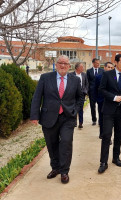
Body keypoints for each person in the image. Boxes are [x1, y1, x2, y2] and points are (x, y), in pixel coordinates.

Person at [30, 55, 84, 184]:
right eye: (60, 63)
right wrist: (34, 115)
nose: (63, 65)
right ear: (56, 64)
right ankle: (55, 168)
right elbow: (37, 97)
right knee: (52, 144)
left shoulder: (75, 80)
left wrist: (75, 110)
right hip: (49, 117)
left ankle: (64, 171)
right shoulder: (45, 78)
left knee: (66, 143)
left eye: (65, 63)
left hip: (67, 117)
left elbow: (80, 97)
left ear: (69, 66)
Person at [98, 54, 121, 173]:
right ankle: (103, 162)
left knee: (119, 135)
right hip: (109, 110)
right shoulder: (107, 74)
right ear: (116, 62)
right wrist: (113, 97)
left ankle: (116, 157)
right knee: (107, 135)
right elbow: (102, 90)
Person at [95, 62, 114, 139]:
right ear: (104, 68)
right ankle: (101, 133)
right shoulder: (98, 77)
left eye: (111, 67)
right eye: (108, 67)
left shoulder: (114, 77)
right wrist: (96, 99)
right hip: (101, 100)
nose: (110, 69)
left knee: (110, 119)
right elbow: (95, 89)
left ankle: (108, 135)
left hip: (111, 101)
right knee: (102, 117)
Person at [71, 62, 89, 128]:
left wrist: (85, 91)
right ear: (77, 68)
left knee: (80, 108)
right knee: (73, 108)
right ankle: (74, 122)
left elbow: (87, 84)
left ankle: (80, 123)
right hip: (73, 94)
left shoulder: (84, 75)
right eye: (82, 67)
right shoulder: (71, 75)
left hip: (82, 94)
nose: (83, 68)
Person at [87, 58, 104, 126]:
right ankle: (94, 120)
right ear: (93, 63)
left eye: (99, 63)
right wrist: (88, 91)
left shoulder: (102, 71)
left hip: (100, 92)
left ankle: (100, 121)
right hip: (92, 92)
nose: (98, 64)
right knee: (92, 107)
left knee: (100, 107)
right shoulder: (89, 71)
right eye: (97, 63)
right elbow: (87, 82)